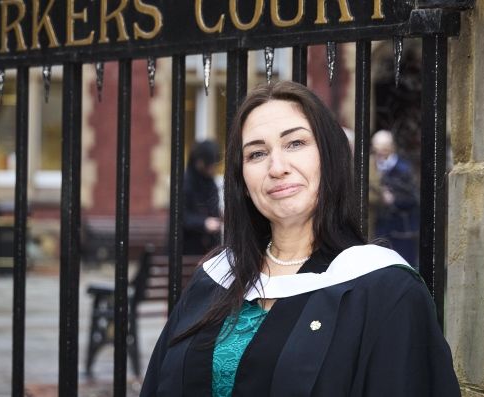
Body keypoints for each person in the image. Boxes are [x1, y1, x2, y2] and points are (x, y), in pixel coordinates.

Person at [141, 82, 459, 396]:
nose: (276, 167)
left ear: (330, 156)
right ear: (242, 178)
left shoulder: (385, 291)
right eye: (256, 153)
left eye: (295, 143)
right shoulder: (215, 277)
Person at [370, 130, 420, 267]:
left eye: (384, 148)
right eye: (376, 149)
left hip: (401, 231)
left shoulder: (404, 169)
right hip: (379, 228)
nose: (380, 153)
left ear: (391, 147)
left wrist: (394, 200)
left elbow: (414, 198)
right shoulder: (371, 167)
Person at [182, 140, 222, 255]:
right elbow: (182, 216)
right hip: (186, 247)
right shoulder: (186, 182)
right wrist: (204, 223)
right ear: (200, 162)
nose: (213, 169)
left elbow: (213, 209)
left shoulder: (210, 182)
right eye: (210, 164)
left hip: (208, 247)